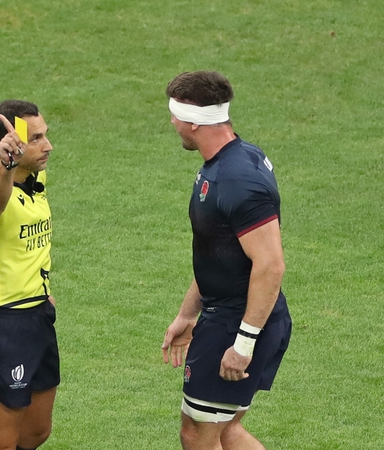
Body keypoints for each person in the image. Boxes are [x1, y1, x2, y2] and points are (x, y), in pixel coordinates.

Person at [160, 71, 292, 450]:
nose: (172, 123)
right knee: (226, 429)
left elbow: (271, 265)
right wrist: (187, 314)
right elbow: (218, 253)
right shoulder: (232, 158)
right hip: (229, 315)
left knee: (197, 433)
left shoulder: (237, 180)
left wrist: (243, 344)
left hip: (236, 323)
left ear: (193, 122)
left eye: (175, 116)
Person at [0, 100, 59, 450]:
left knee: (36, 432)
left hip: (37, 317)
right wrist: (5, 166)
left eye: (45, 135)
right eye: (35, 139)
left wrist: (42, 286)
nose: (47, 146)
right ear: (9, 144)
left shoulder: (35, 177)